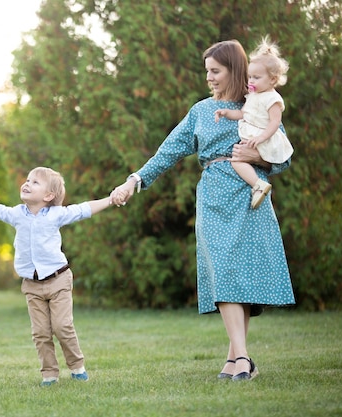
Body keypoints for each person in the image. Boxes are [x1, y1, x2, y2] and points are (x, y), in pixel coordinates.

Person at [110, 40, 295, 382]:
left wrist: (254, 158)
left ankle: (235, 359)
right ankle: (242, 357)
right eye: (207, 71)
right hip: (213, 198)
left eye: (215, 71)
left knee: (239, 275)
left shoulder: (257, 105)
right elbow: (165, 153)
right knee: (223, 271)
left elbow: (282, 155)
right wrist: (133, 181)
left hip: (250, 194)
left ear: (235, 70)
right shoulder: (200, 112)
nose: (208, 77)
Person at [0, 167, 115, 387]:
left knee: (62, 326)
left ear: (48, 196)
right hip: (32, 285)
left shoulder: (56, 214)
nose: (27, 184)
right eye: (27, 180)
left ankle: (77, 367)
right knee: (40, 332)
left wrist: (110, 199)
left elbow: (84, 209)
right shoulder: (17, 214)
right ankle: (49, 374)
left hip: (59, 279)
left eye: (35, 182)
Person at [215, 37, 293, 209]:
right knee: (238, 157)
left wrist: (261, 138)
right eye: (250, 77)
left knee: (236, 160)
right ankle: (258, 185)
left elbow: (274, 123)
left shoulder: (272, 99)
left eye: (256, 77)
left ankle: (259, 184)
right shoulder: (253, 97)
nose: (251, 81)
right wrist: (227, 113)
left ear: (272, 80)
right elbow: (244, 114)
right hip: (254, 137)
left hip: (264, 138)